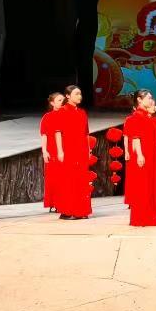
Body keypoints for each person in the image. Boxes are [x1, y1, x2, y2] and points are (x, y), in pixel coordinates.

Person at [124, 90, 156, 226]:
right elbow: (136, 138)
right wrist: (139, 155)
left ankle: (149, 214)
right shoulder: (135, 117)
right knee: (142, 185)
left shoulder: (149, 118)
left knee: (150, 185)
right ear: (139, 100)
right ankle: (140, 217)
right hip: (143, 154)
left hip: (152, 153)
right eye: (148, 98)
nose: (151, 100)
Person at [55, 85, 93, 220]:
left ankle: (82, 211)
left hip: (81, 149)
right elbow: (58, 132)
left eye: (80, 94)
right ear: (67, 96)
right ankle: (68, 210)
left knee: (81, 180)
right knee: (68, 180)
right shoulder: (62, 111)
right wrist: (60, 151)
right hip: (68, 149)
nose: (79, 96)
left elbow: (86, 133)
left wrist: (88, 149)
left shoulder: (82, 112)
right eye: (76, 94)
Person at [39, 92, 64, 212]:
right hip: (52, 150)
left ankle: (63, 201)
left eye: (63, 100)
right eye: (59, 100)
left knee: (64, 177)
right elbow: (44, 135)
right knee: (53, 177)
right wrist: (44, 151)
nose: (62, 102)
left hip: (65, 148)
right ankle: (54, 202)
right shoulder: (47, 117)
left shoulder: (67, 115)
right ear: (52, 103)